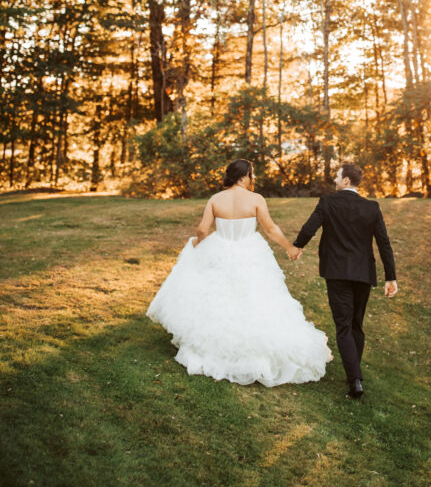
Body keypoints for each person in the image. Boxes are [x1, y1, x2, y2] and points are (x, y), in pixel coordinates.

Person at [146, 158, 332, 386]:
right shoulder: (256, 199)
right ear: (244, 176)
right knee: (255, 297)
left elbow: (202, 229)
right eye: (252, 174)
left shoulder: (216, 199)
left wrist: (197, 242)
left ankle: (214, 344)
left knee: (217, 298)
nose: (253, 178)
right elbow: (270, 229)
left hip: (219, 250)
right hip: (249, 252)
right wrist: (289, 247)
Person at [292, 162, 397, 400]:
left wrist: (298, 246)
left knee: (344, 326)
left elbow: (310, 228)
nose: (335, 180)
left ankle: (355, 380)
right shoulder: (372, 207)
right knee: (356, 324)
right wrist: (391, 276)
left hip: (337, 272)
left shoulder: (328, 202)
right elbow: (384, 243)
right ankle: (354, 372)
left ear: (346, 180)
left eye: (337, 176)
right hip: (363, 273)